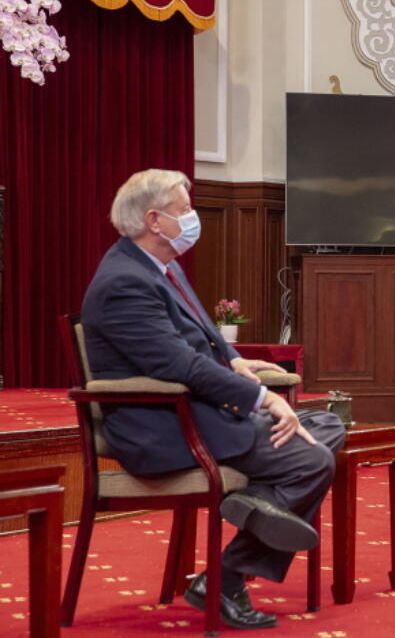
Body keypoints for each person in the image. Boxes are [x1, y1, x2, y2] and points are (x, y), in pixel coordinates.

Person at [81, 169, 345, 630]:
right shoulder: (124, 282)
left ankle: (260, 503)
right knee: (313, 460)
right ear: (153, 220)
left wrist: (236, 361)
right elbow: (178, 365)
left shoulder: (159, 266)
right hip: (164, 427)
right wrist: (263, 398)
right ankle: (226, 577)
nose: (192, 218)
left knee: (326, 426)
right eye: (183, 210)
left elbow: (202, 337)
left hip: (198, 411)